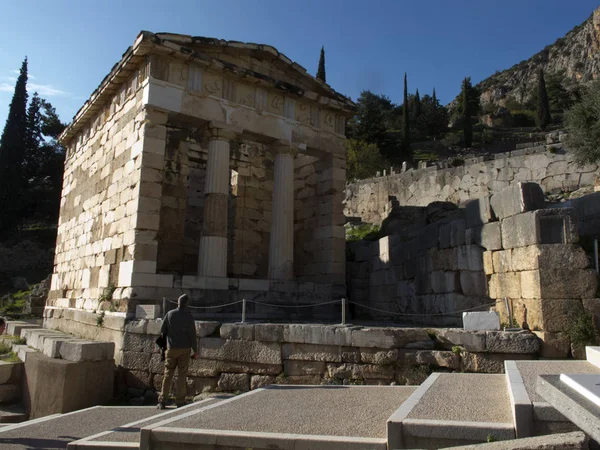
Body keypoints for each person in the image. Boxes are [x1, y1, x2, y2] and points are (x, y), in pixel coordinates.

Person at [157, 294, 198, 409]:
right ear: (187, 304)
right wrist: (195, 350)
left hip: (171, 348)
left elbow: (162, 331)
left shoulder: (169, 314)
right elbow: (192, 335)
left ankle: (162, 401)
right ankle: (180, 401)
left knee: (168, 374)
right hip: (184, 349)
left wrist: (162, 347)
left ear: (178, 302)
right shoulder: (189, 317)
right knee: (182, 375)